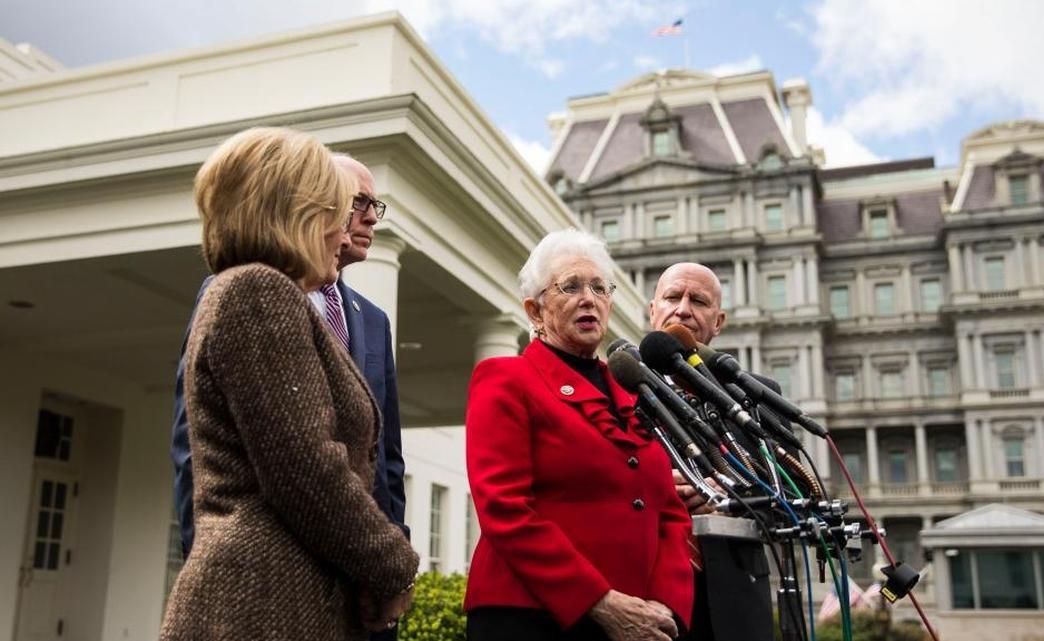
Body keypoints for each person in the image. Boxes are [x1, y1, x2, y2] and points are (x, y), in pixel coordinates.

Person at [160, 127, 418, 641]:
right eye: (335, 210)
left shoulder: (258, 292)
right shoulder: (258, 292)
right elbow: (307, 468)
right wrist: (395, 566)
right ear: (295, 211)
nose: (345, 231)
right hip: (261, 605)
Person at [464, 229, 694, 641]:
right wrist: (599, 600)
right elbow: (504, 507)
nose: (589, 298)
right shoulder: (505, 379)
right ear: (535, 311)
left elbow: (670, 512)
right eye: (570, 286)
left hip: (638, 623)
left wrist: (665, 602)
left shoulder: (633, 391)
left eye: (599, 287)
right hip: (532, 618)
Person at [649, 262, 780, 641]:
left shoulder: (754, 394)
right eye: (672, 297)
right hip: (645, 602)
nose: (683, 309)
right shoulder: (616, 390)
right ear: (653, 310)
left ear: (718, 321)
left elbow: (791, 497)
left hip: (733, 603)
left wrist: (728, 497)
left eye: (699, 301)